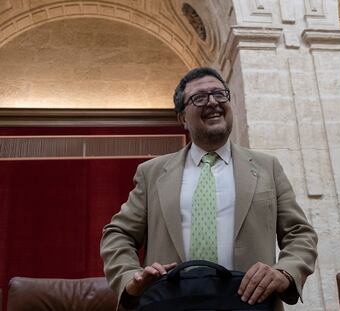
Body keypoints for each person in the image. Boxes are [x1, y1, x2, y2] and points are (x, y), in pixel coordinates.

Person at [100, 67, 318, 310]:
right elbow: (117, 234)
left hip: (251, 302)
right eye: (199, 98)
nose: (212, 102)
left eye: (220, 94)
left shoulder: (268, 167)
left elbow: (300, 233)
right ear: (182, 117)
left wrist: (285, 273)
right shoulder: (152, 173)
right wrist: (130, 277)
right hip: (171, 303)